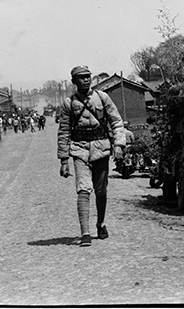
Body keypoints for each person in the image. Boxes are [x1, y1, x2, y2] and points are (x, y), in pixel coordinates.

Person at [57, 65, 126, 247]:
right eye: (81, 77)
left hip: (101, 149)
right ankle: (85, 233)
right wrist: (64, 160)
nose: (86, 80)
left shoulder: (102, 98)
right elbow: (64, 131)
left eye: (88, 76)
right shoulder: (68, 103)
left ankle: (100, 223)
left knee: (101, 190)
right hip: (79, 150)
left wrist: (118, 144)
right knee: (83, 189)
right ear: (74, 82)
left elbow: (116, 121)